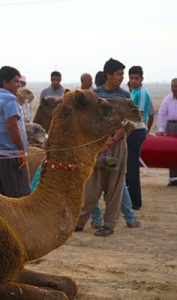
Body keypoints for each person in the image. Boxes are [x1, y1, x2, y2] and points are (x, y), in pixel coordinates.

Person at [75, 58, 138, 237]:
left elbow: (130, 122)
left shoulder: (125, 96)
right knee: (91, 185)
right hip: (97, 145)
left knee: (114, 186)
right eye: (119, 74)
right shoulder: (95, 95)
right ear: (109, 75)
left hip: (117, 144)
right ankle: (80, 221)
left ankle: (109, 224)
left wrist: (112, 141)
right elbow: (87, 120)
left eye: (122, 74)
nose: (121, 77)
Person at [0, 65, 31, 197]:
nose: (18, 85)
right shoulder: (10, 99)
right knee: (18, 200)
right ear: (5, 83)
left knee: (1, 199)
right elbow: (11, 125)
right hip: (10, 156)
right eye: (16, 81)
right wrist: (21, 151)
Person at [127, 66, 151, 209]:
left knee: (132, 168)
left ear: (142, 78)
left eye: (136, 78)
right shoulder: (134, 91)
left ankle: (135, 201)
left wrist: (125, 135)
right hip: (131, 130)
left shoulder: (141, 93)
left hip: (135, 131)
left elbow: (138, 117)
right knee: (128, 168)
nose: (134, 80)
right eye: (131, 78)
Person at [156, 78, 177, 186]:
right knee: (172, 151)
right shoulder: (167, 99)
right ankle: (173, 178)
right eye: (173, 86)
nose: (174, 89)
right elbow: (162, 114)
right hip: (171, 126)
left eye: (176, 86)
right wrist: (160, 129)